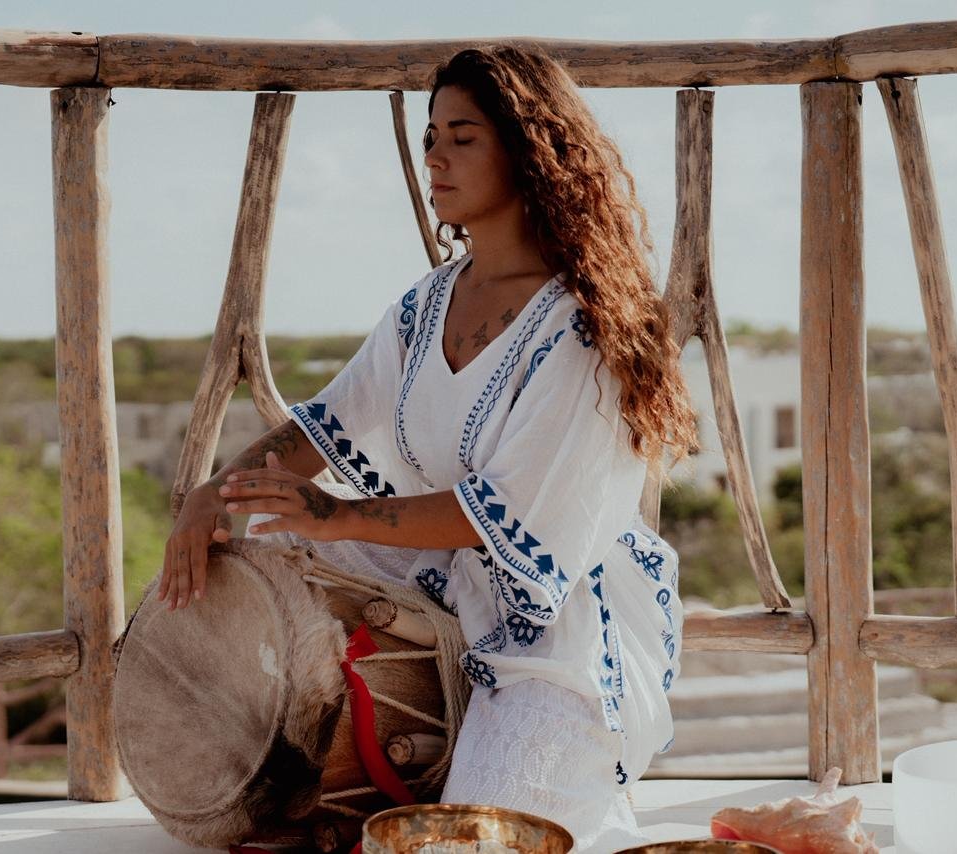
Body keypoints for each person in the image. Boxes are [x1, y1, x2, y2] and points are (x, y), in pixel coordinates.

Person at [156, 44, 700, 854]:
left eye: (463, 137)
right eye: (430, 137)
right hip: (438, 579)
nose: (435, 157)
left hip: (550, 625)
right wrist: (215, 496)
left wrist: (338, 514)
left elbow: (502, 518)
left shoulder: (582, 330)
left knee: (480, 842)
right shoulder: (428, 304)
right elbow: (323, 424)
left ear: (528, 150)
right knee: (259, 538)